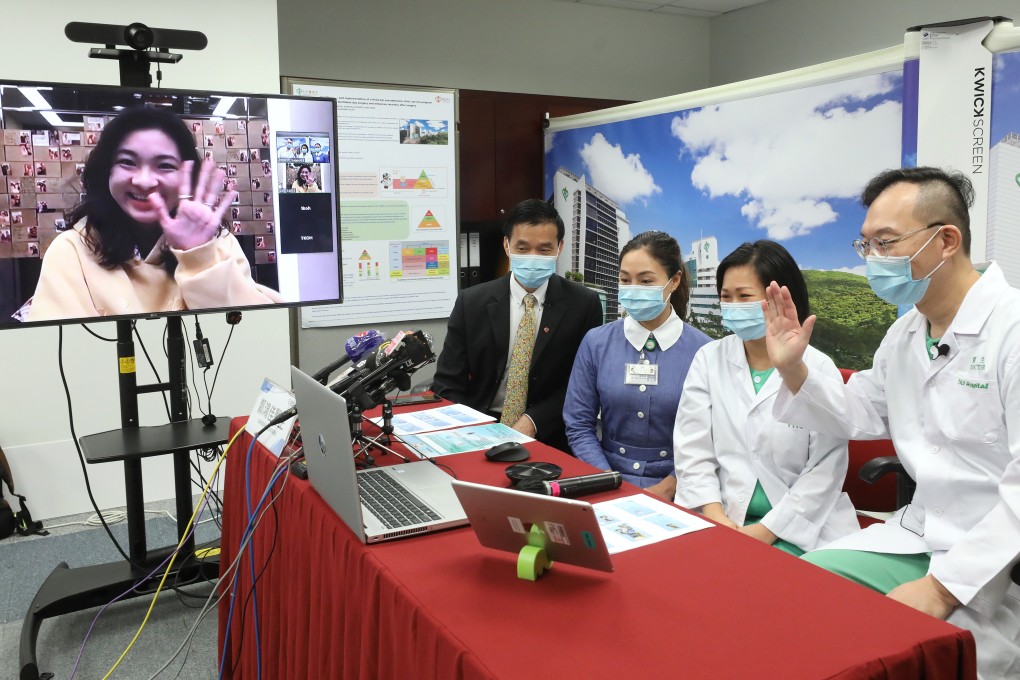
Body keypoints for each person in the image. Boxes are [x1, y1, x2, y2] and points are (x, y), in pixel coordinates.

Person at [764, 167, 1020, 677]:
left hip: (996, 567)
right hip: (921, 535)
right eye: (867, 247)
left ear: (947, 239)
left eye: (886, 243)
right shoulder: (907, 333)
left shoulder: (1011, 331)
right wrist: (793, 367)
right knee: (798, 595)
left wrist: (942, 588)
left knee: (874, 648)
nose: (874, 261)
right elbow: (857, 411)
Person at [674, 240, 858, 555]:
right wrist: (715, 515)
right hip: (721, 517)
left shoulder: (818, 367)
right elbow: (693, 449)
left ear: (780, 297)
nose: (732, 306)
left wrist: (765, 531)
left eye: (744, 297)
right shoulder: (709, 358)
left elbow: (824, 471)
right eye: (725, 297)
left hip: (802, 528)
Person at [27, 105, 282, 322]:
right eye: (127, 162)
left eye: (164, 166)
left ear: (186, 176)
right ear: (107, 171)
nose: (145, 181)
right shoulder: (73, 250)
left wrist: (197, 255)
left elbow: (251, 333)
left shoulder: (218, 242)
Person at [433, 199, 603, 451]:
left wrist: (534, 421)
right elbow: (448, 383)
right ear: (506, 245)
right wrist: (469, 429)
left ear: (560, 248)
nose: (532, 257)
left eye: (544, 250)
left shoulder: (583, 304)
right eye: (522, 248)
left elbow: (580, 384)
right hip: (478, 428)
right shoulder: (472, 302)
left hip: (548, 433)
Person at [563, 231, 709, 498]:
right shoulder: (596, 342)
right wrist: (606, 480)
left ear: (674, 280)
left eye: (645, 281)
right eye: (625, 280)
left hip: (685, 489)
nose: (633, 289)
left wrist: (672, 485)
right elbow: (578, 424)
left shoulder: (705, 350)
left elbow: (712, 435)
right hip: (603, 482)